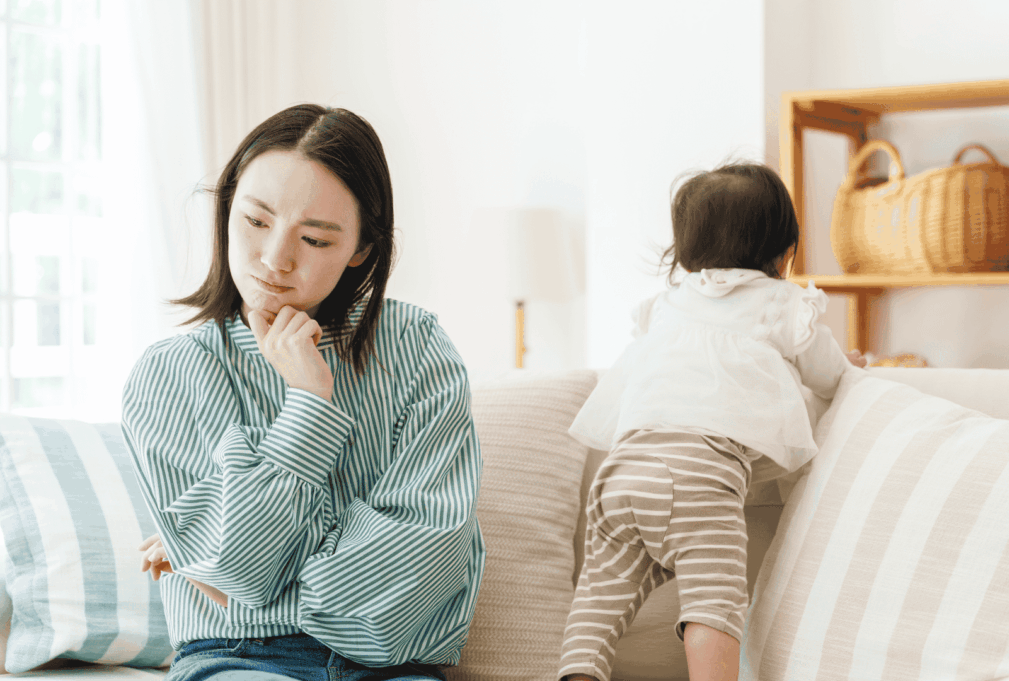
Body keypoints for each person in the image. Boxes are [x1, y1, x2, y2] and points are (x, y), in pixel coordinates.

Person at [122, 104, 485, 681]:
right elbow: (237, 572)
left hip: (391, 666)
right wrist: (310, 403)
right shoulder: (167, 377)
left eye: (314, 238)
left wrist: (241, 562)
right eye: (256, 220)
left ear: (361, 249)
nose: (274, 259)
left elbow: (415, 571)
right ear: (226, 210)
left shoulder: (418, 348)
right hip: (236, 658)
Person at [557, 163, 866, 681]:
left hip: (623, 472)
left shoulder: (667, 306)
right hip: (699, 476)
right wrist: (856, 368)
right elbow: (831, 376)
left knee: (598, 600)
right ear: (784, 252)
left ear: (686, 253)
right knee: (713, 604)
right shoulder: (781, 304)